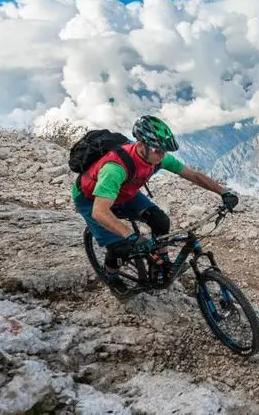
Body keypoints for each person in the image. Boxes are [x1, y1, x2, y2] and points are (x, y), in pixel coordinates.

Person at [71, 115, 238, 294]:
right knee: (120, 248)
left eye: (164, 151)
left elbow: (193, 175)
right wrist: (130, 236)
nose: (162, 155)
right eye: (158, 150)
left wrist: (224, 192)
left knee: (160, 220)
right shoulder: (115, 168)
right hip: (90, 200)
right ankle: (111, 277)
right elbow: (100, 212)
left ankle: (163, 263)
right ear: (141, 144)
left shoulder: (157, 158)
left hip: (124, 193)